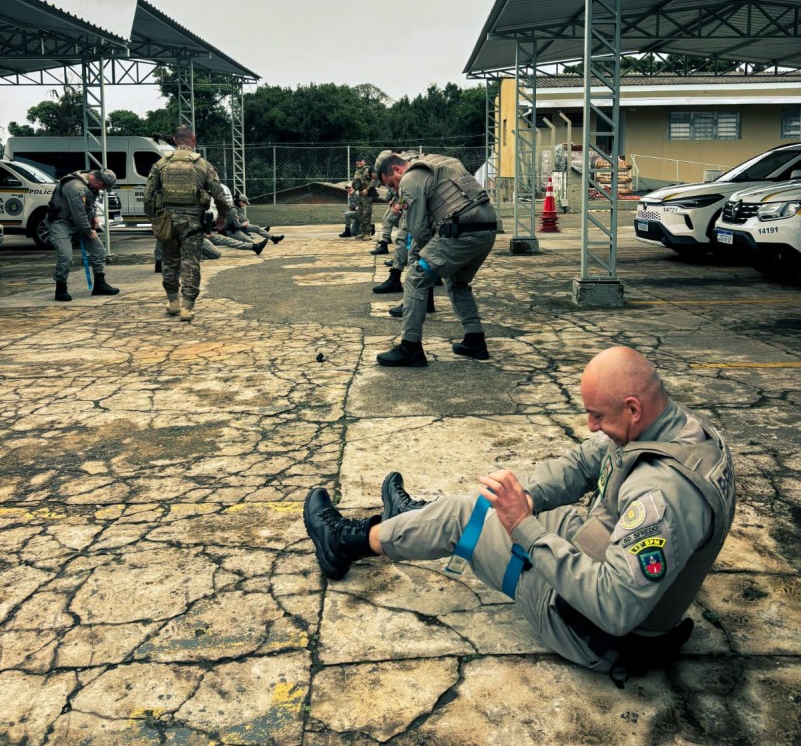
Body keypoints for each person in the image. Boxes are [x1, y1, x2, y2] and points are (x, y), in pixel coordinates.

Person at [303, 346, 736, 680]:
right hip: (599, 548)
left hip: (590, 630)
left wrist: (523, 527)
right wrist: (524, 497)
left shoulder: (661, 493)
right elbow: (582, 464)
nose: (590, 425)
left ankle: (345, 542)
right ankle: (414, 522)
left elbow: (613, 606)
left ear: (632, 407)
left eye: (596, 415)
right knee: (487, 506)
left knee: (463, 518)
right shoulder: (674, 430)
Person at [374, 151, 497, 367]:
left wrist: (427, 258)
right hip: (487, 230)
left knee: (415, 277)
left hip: (460, 230)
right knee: (457, 282)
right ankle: (474, 340)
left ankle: (410, 347)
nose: (394, 190)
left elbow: (418, 228)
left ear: (396, 169)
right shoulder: (443, 163)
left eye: (392, 184)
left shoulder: (410, 178)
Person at [143, 124, 233, 322]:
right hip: (192, 222)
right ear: (194, 139)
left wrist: (153, 219)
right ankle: (187, 307)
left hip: (167, 221)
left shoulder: (160, 164)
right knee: (190, 262)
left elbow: (148, 196)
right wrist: (222, 216)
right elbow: (219, 195)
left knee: (169, 261)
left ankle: (173, 301)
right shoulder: (203, 165)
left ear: (175, 140)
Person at [48, 167, 120, 301]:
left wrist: (94, 216)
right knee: (65, 256)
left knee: (99, 251)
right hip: (61, 223)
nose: (103, 190)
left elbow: (89, 203)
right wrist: (88, 231)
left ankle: (99, 284)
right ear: (100, 183)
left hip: (79, 223)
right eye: (104, 187)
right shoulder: (76, 188)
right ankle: (61, 288)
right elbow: (79, 214)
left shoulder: (90, 183)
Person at [352, 155, 376, 241]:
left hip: (367, 195)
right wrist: (354, 189)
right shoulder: (357, 171)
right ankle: (363, 232)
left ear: (364, 162)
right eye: (357, 160)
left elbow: (374, 180)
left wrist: (367, 189)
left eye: (360, 160)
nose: (359, 162)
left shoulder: (369, 169)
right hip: (360, 195)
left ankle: (367, 233)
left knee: (366, 214)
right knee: (361, 214)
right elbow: (356, 183)